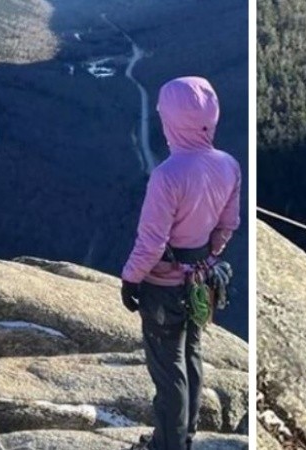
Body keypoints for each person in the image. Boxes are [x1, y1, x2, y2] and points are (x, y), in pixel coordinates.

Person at [120, 76, 241, 450]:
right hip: (200, 281)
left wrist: (131, 278)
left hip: (164, 287)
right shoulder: (229, 165)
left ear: (172, 121)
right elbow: (227, 225)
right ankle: (181, 438)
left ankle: (167, 446)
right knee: (191, 357)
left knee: (168, 369)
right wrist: (206, 258)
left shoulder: (168, 175)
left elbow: (153, 241)